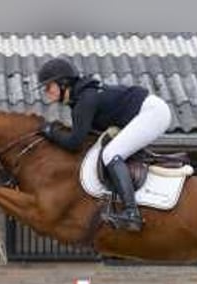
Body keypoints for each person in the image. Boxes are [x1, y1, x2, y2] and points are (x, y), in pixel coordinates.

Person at [37, 57, 173, 232]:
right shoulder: (81, 98)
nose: (46, 92)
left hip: (153, 113)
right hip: (147, 111)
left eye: (48, 86)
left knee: (111, 154)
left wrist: (50, 132)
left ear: (63, 83)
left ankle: (132, 213)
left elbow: (74, 143)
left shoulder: (85, 100)